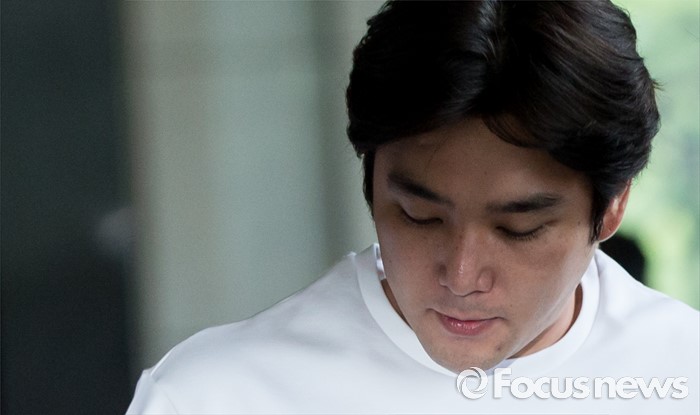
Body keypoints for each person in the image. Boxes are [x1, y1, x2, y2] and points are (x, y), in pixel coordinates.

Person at [127, 1, 699, 414]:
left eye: (518, 228)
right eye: (420, 217)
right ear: (372, 182)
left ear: (614, 206)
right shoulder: (217, 397)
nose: (462, 275)